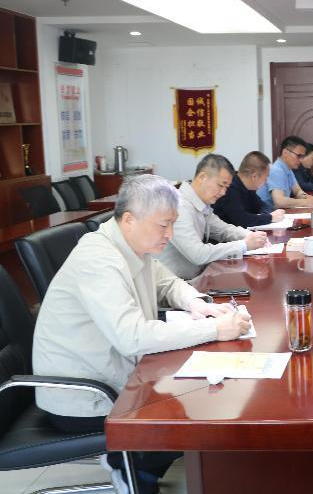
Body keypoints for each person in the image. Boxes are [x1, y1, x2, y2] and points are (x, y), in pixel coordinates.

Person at [32, 174, 252, 494]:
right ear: (129, 220)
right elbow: (132, 337)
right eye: (163, 225)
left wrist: (197, 303)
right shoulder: (98, 259)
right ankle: (131, 470)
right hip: (84, 395)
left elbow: (168, 282)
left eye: (173, 224)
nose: (170, 234)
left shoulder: (134, 245)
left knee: (194, 400)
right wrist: (213, 329)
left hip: (118, 374)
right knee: (188, 416)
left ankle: (136, 465)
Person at [158, 154, 268, 279]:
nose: (223, 192)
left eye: (226, 187)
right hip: (176, 285)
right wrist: (244, 245)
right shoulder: (179, 207)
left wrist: (250, 235)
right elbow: (198, 254)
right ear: (202, 177)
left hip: (198, 278)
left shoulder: (201, 204)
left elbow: (223, 229)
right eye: (221, 185)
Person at [214, 151, 286, 227]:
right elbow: (242, 220)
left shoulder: (248, 187)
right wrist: (270, 217)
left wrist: (264, 216)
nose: (266, 182)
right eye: (265, 178)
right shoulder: (229, 188)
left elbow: (263, 206)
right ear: (254, 176)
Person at [257, 136, 313, 210]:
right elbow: (279, 201)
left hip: (278, 212)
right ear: (285, 153)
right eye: (298, 156)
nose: (300, 160)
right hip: (267, 213)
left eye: (302, 156)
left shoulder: (288, 169)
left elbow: (297, 191)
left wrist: (307, 197)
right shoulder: (276, 170)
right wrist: (305, 202)